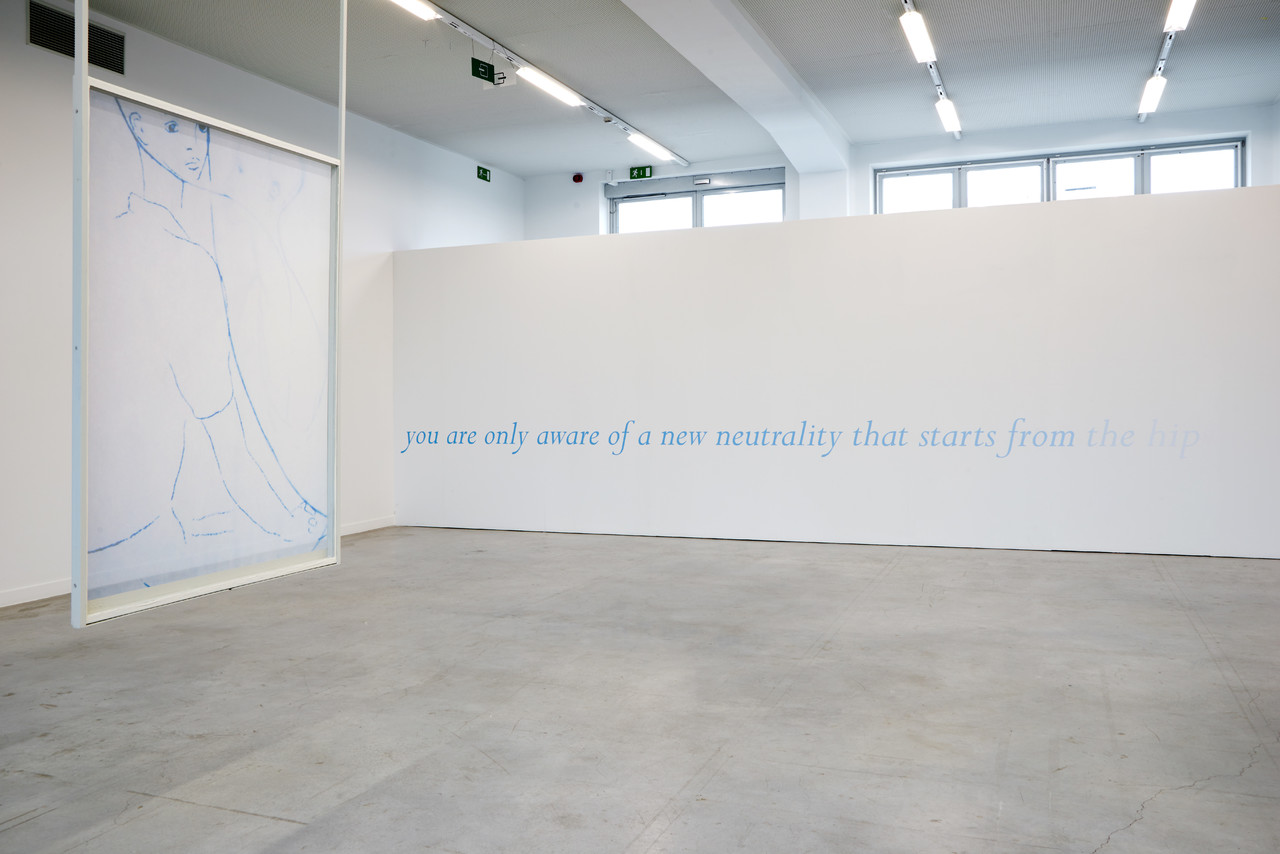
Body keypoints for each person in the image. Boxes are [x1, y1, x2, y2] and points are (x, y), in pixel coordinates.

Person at [87, 97, 325, 588]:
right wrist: (297, 521)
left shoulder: (144, 233)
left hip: (134, 520)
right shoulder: (177, 258)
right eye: (174, 128)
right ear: (138, 127)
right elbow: (224, 425)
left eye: (199, 129)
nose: (196, 145)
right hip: (141, 527)